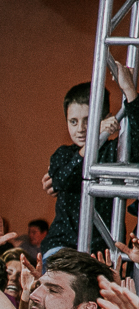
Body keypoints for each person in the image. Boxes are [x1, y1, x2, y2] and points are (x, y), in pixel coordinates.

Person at [43, 68, 139, 257]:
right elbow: (63, 179)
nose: (80, 129)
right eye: (73, 121)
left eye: (88, 120)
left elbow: (137, 142)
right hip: (62, 248)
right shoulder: (63, 153)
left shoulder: (115, 152)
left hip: (102, 252)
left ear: (105, 118)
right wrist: (94, 138)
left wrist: (130, 92)